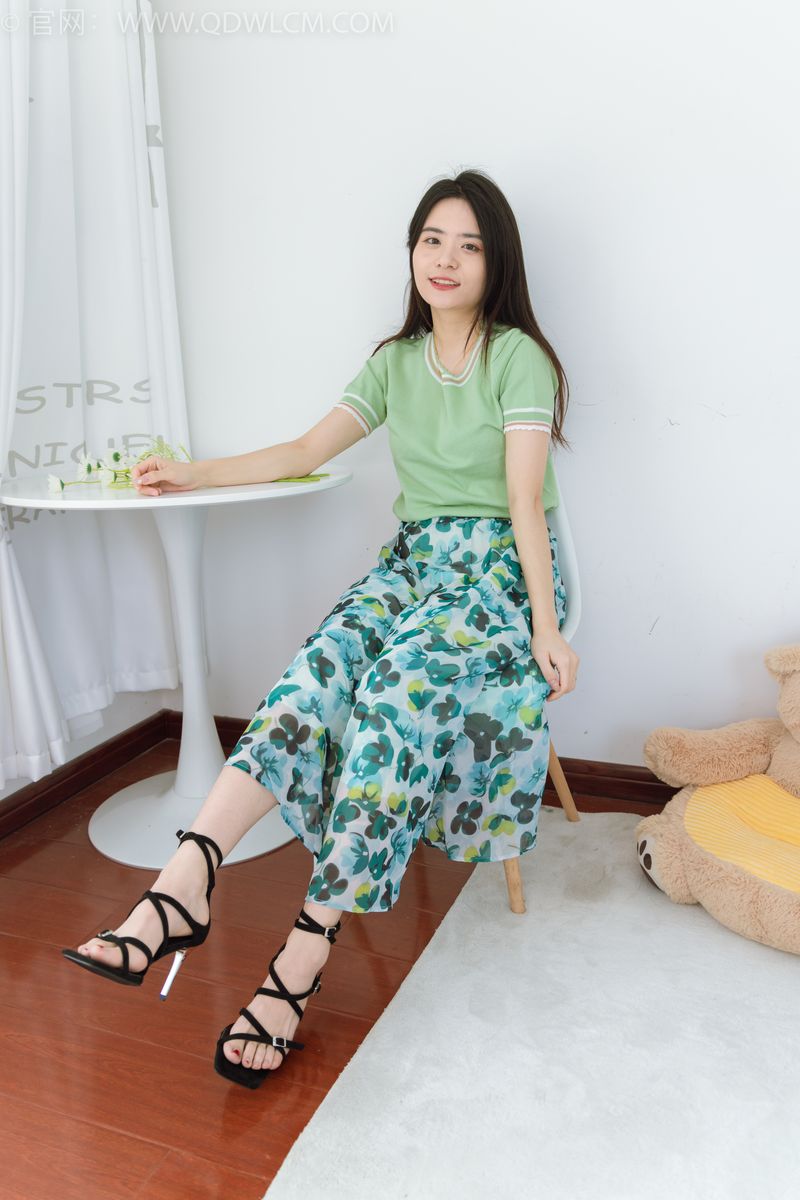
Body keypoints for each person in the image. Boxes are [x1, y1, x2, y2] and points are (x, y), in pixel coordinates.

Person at [62, 168, 580, 1089]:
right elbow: (306, 450)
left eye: (468, 245)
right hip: (413, 567)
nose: (446, 259)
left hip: (495, 576)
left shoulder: (518, 359)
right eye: (431, 240)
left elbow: (523, 504)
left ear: (496, 261)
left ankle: (301, 956)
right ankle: (185, 882)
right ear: (411, 252)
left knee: (390, 700)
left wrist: (546, 623)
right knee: (316, 670)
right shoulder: (393, 362)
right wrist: (194, 472)